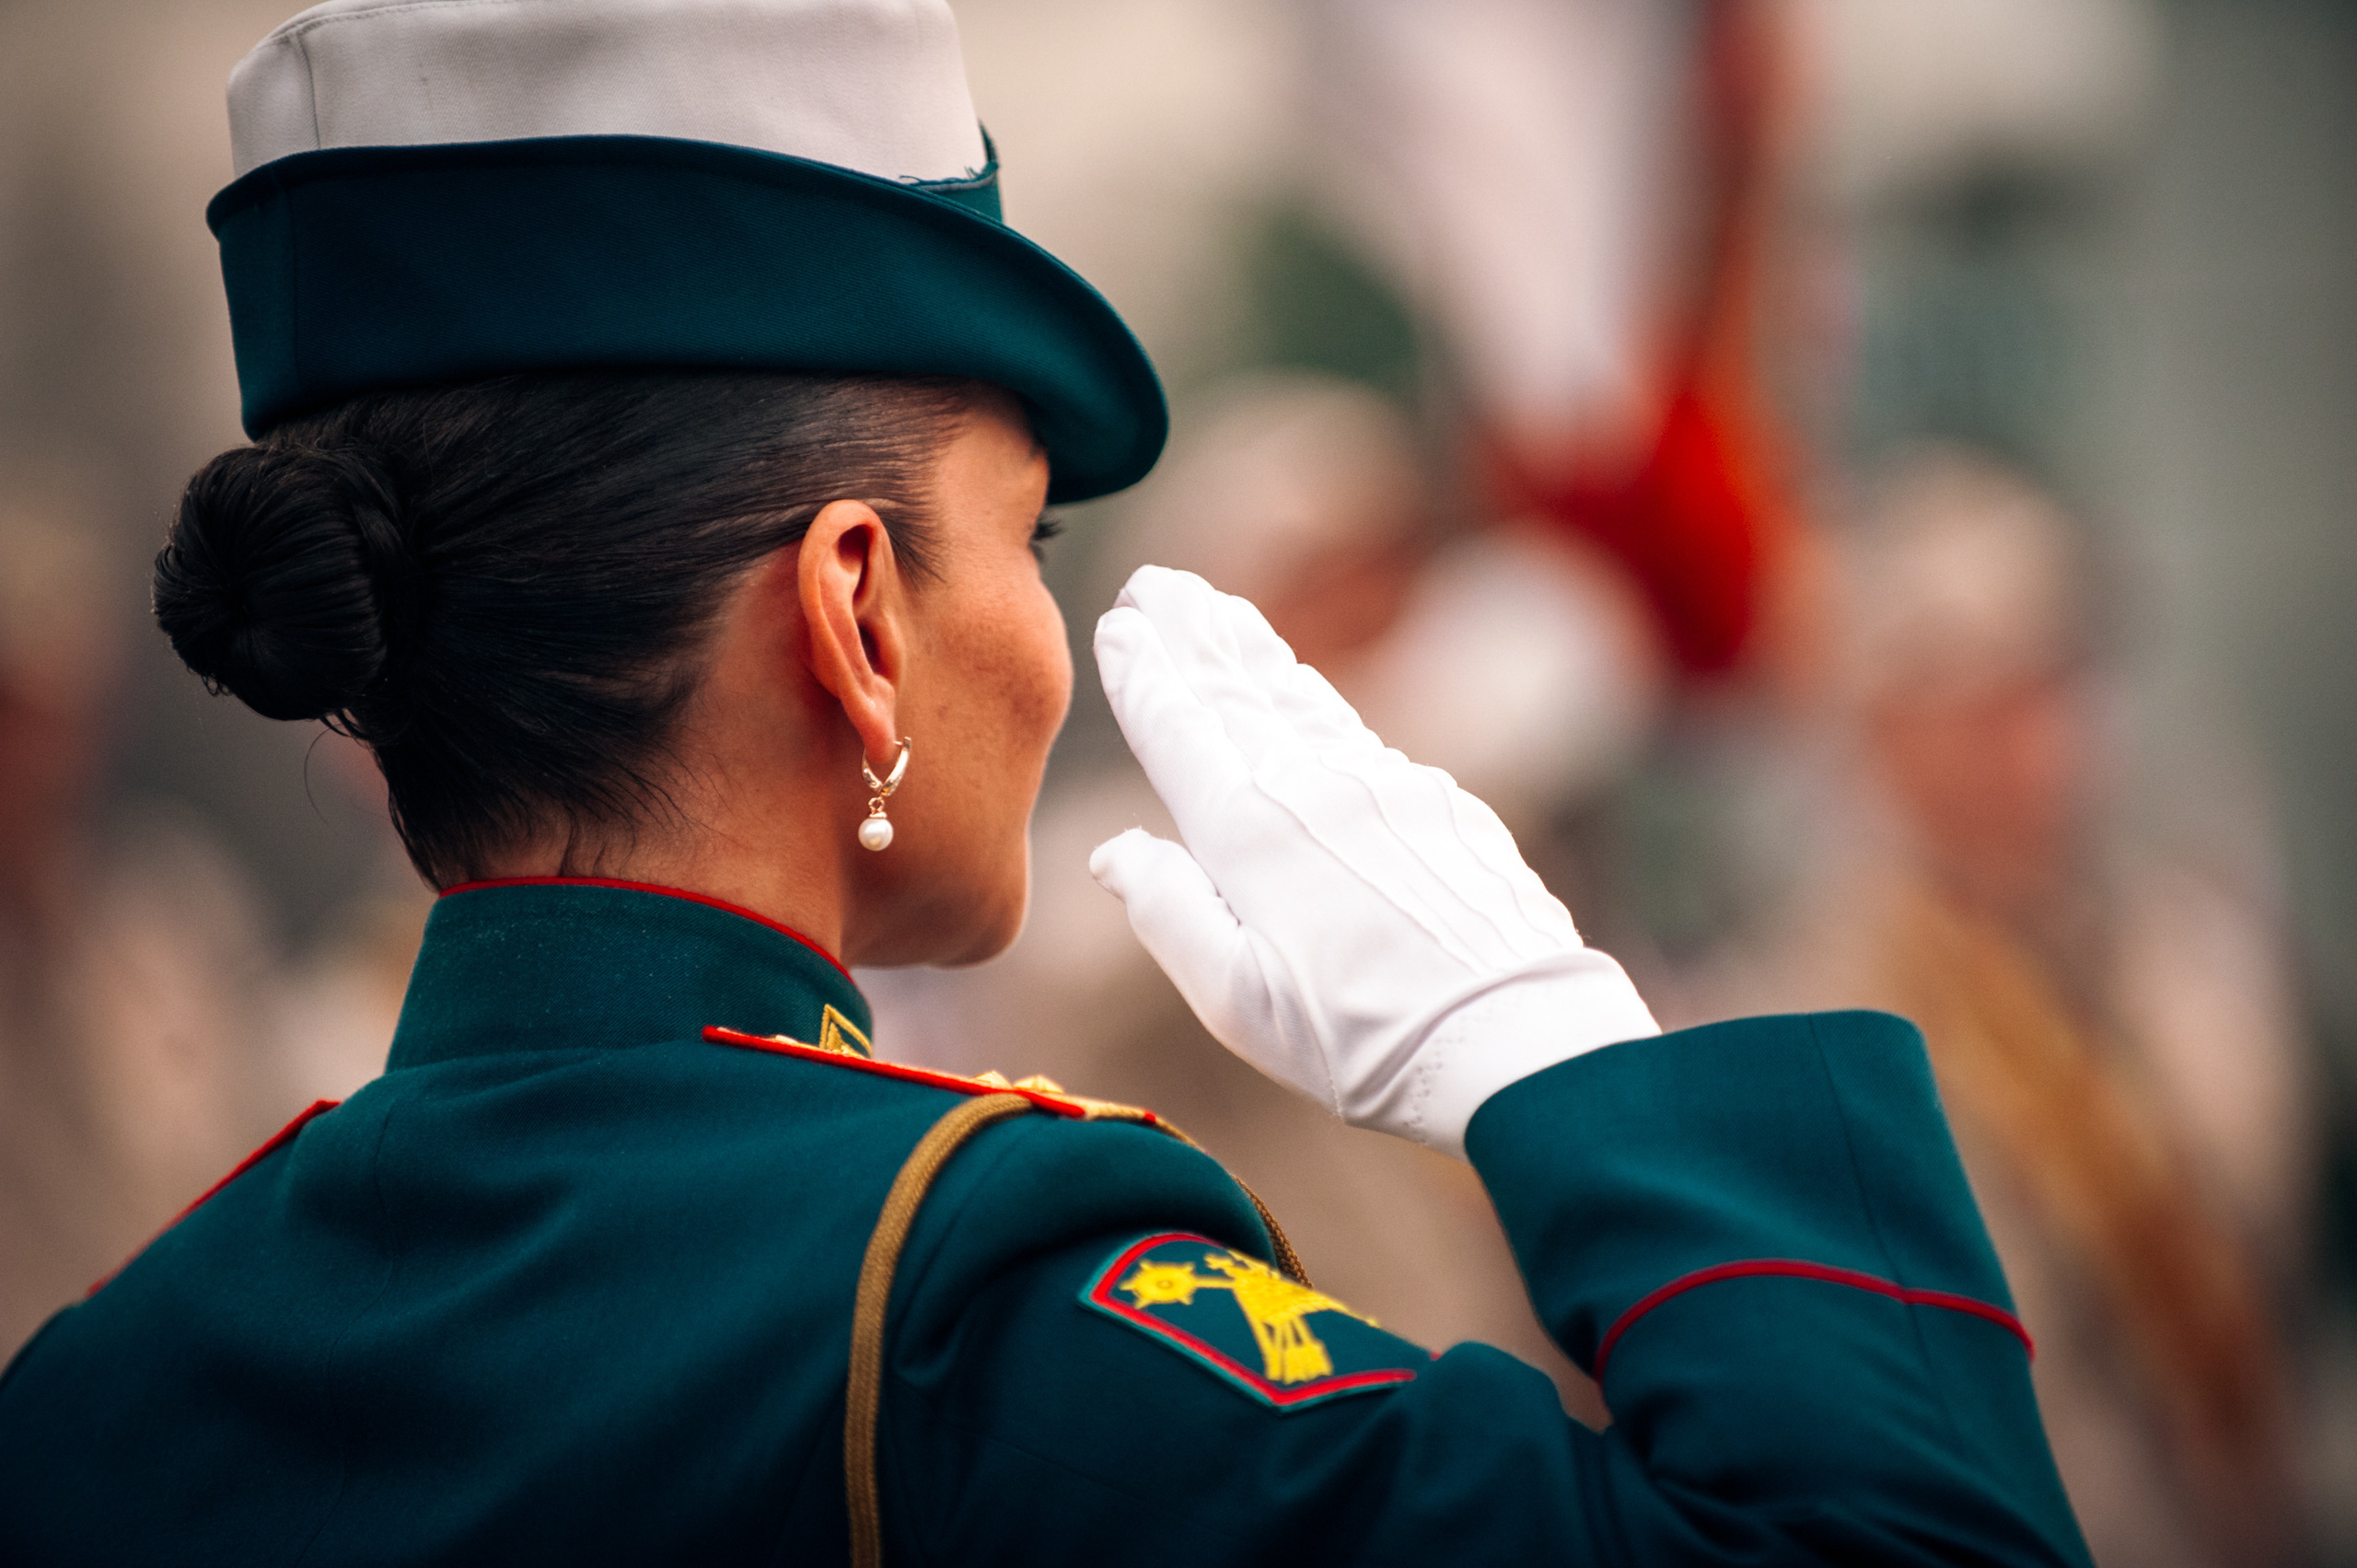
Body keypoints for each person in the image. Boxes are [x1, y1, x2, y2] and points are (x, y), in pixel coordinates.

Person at [0, 3, 2088, 1563]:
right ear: (855, 612)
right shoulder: (977, 1310)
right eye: (1030, 538)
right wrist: (1551, 1058)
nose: (1044, 631)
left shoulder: (101, 1382)